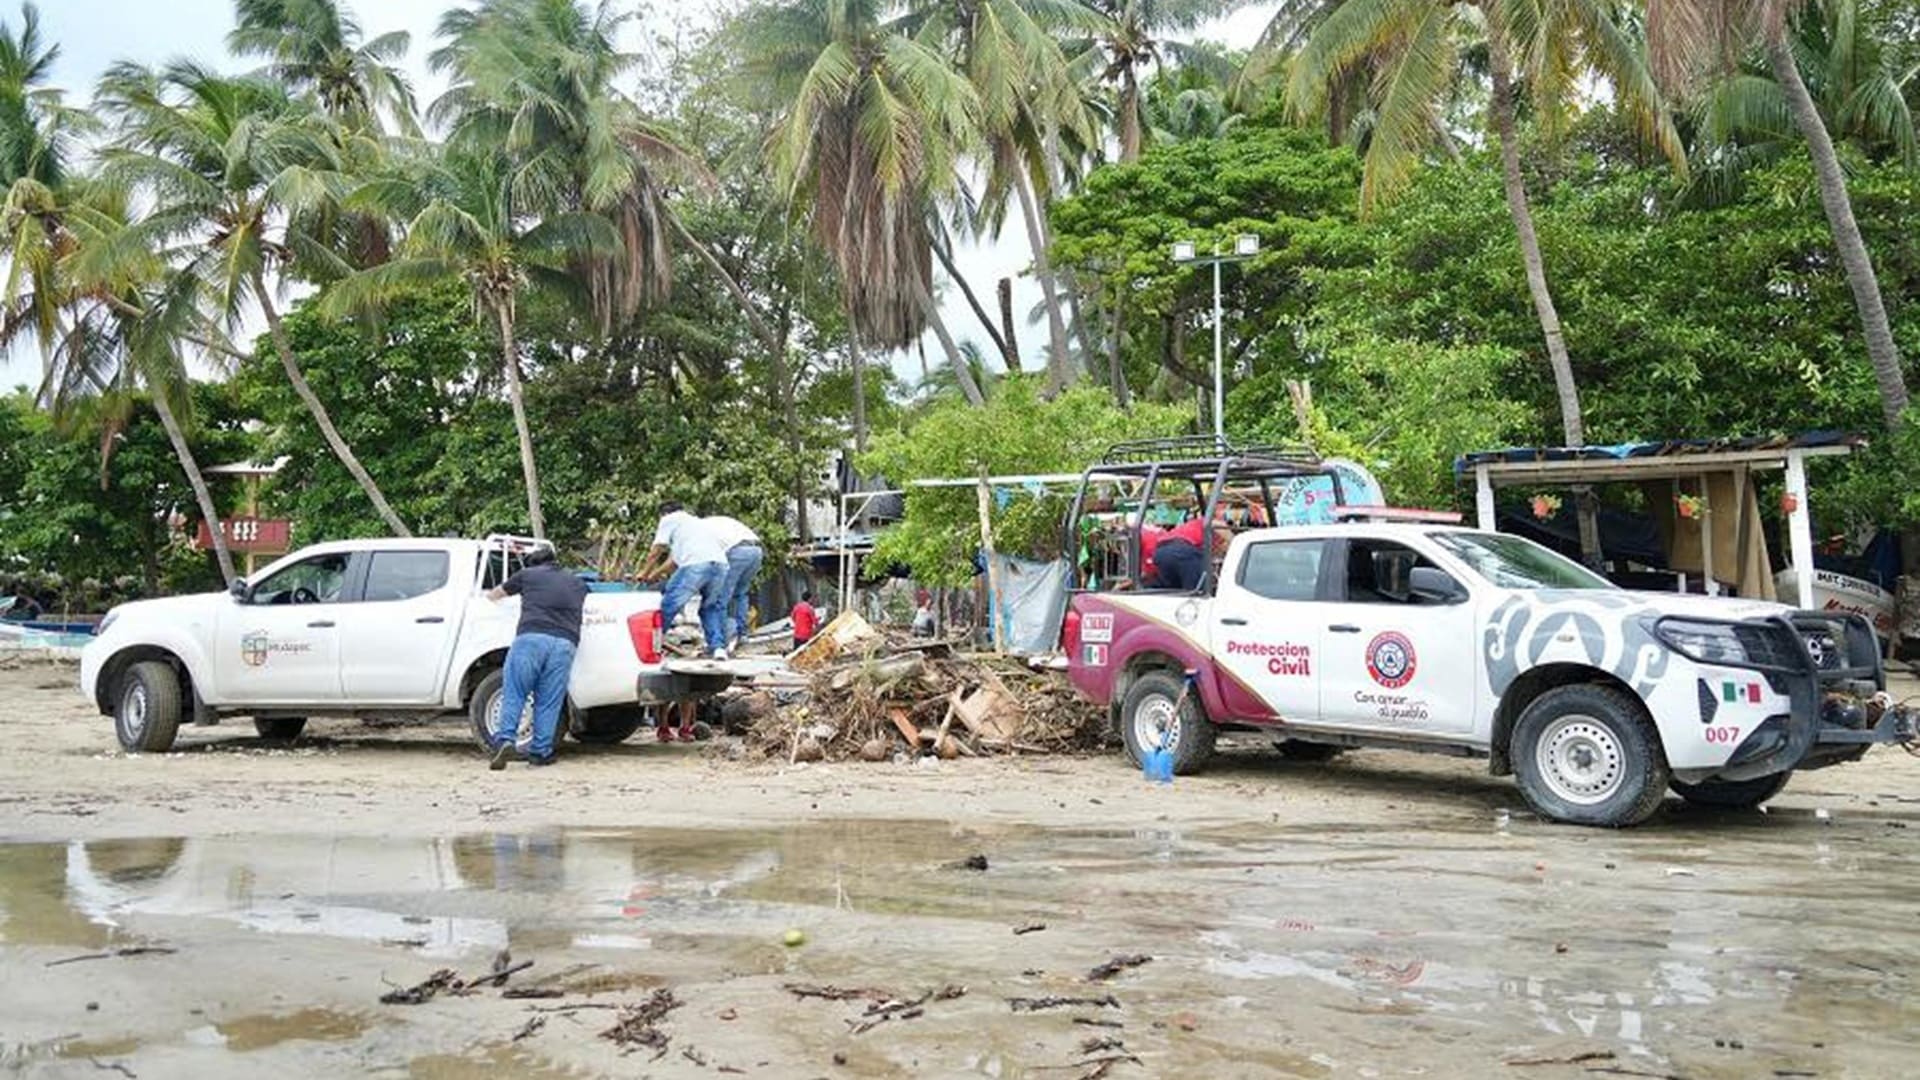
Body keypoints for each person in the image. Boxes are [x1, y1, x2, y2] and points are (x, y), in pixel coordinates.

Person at [485, 546, 588, 770]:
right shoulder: (577, 583)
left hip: (531, 639)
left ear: (534, 564)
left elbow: (495, 595)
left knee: (515, 691)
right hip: (565, 644)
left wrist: (487, 597)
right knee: (549, 700)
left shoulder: (528, 575)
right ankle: (541, 752)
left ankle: (505, 740)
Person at [635, 500, 732, 659]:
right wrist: (653, 576)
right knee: (710, 607)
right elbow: (673, 562)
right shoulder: (694, 523)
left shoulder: (669, 519)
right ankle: (718, 648)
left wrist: (643, 573)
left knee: (669, 604)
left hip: (696, 565)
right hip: (720, 565)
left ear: (663, 514)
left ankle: (653, 646)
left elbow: (657, 549)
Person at [706, 513, 762, 650]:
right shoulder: (716, 521)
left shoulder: (698, 530)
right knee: (740, 594)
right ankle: (742, 635)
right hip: (756, 551)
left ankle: (721, 641)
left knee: (721, 598)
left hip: (737, 552)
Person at [1151, 512, 1229, 592]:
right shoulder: (1213, 523)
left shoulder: (1192, 526)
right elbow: (1231, 543)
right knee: (1198, 592)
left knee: (1174, 591)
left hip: (1161, 553)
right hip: (1183, 552)